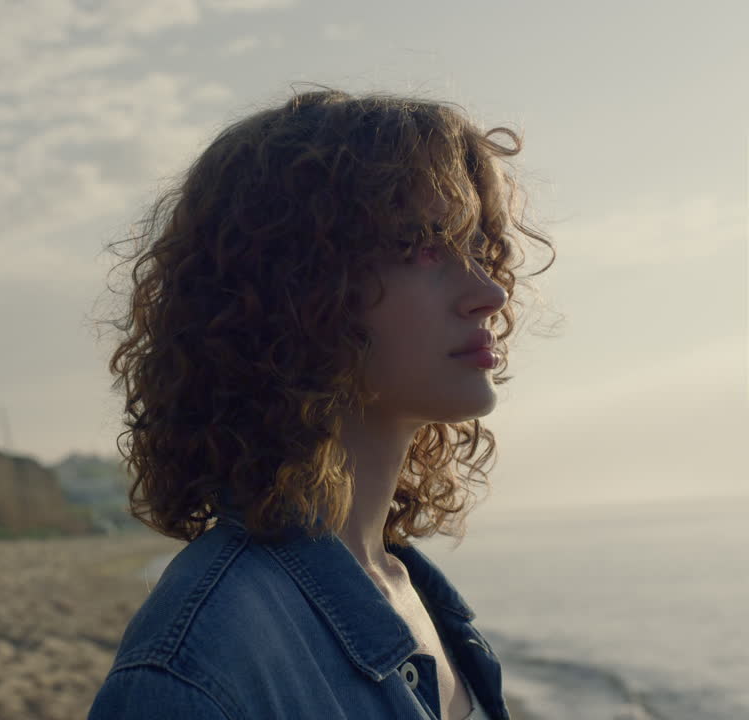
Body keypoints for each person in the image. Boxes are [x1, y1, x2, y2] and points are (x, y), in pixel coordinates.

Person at [87, 86, 556, 720]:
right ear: (294, 288)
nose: (487, 294)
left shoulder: (417, 595)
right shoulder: (199, 667)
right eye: (423, 246)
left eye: (478, 247)